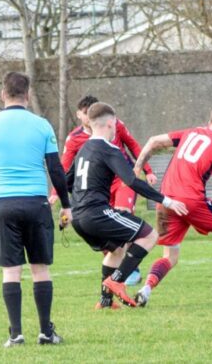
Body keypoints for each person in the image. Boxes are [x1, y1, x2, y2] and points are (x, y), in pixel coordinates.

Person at [0, 72, 72, 347]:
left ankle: (15, 334)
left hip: (5, 205)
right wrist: (66, 205)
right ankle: (45, 332)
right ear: (27, 95)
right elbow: (56, 169)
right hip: (37, 203)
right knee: (40, 269)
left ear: (2, 94)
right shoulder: (42, 126)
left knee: (11, 271)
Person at [66, 102, 187, 309]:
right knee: (149, 235)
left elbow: (67, 181)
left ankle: (105, 302)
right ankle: (118, 280)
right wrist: (166, 200)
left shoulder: (83, 149)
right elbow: (131, 181)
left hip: (78, 218)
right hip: (96, 213)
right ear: (111, 124)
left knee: (117, 250)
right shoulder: (108, 148)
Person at [132, 104, 212, 307]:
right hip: (190, 199)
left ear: (210, 122)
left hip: (165, 200)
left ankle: (146, 290)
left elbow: (153, 141)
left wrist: (136, 168)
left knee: (170, 256)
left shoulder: (190, 132)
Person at [49, 95, 157, 286]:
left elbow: (132, 144)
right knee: (111, 233)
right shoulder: (74, 139)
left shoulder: (114, 125)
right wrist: (57, 195)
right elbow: (65, 168)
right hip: (98, 188)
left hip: (121, 181)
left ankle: (129, 269)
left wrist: (147, 170)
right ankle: (116, 279)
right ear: (80, 115)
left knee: (124, 217)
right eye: (85, 113)